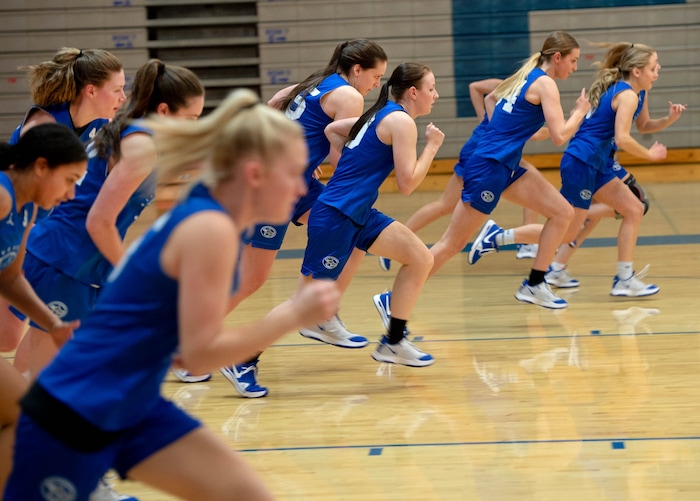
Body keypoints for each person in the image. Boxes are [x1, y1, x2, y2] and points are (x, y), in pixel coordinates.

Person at [3, 89, 341, 501]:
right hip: (81, 407)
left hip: (135, 401)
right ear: (254, 173)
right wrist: (293, 315)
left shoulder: (213, 217)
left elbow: (182, 354)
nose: (304, 186)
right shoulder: (209, 228)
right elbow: (198, 356)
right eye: (296, 173)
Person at [8, 59, 205, 380]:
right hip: (63, 259)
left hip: (74, 260)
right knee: (46, 372)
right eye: (192, 118)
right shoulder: (140, 145)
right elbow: (99, 221)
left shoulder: (131, 131)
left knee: (45, 362)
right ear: (166, 111)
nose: (195, 125)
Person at [213, 39, 388, 397]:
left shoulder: (314, 82)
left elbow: (275, 103)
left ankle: (323, 316)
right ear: (357, 70)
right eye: (376, 76)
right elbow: (344, 159)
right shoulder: (350, 97)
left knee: (353, 235)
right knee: (251, 280)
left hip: (294, 182)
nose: (376, 84)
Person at [474, 43, 683, 297]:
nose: (658, 70)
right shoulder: (626, 94)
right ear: (637, 71)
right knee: (568, 230)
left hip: (599, 161)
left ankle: (623, 278)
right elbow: (623, 138)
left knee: (634, 208)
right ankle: (500, 237)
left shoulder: (638, 93)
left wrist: (670, 119)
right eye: (653, 66)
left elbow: (645, 125)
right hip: (582, 161)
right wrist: (649, 154)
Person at [425, 31, 590, 309]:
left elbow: (490, 99)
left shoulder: (525, 76)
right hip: (489, 165)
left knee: (562, 213)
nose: (575, 67)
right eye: (573, 61)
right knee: (452, 243)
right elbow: (560, 135)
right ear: (557, 57)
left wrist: (503, 132)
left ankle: (535, 284)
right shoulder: (546, 83)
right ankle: (395, 300)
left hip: (506, 162)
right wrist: (580, 112)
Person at [296, 62, 443, 367]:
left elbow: (332, 129)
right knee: (303, 308)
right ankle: (244, 358)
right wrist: (431, 148)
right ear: (413, 92)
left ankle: (393, 342)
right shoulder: (401, 122)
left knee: (421, 258)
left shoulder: (381, 112)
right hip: (336, 214)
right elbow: (407, 184)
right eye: (431, 88)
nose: (436, 95)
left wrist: (346, 159)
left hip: (358, 213)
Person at [0, 47, 126, 368]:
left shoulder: (94, 124)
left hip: (29, 226)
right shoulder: (44, 127)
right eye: (118, 89)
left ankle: (26, 389)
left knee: (15, 334)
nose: (123, 97)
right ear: (91, 90)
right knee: (9, 333)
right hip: (16, 220)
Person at [0, 123, 87, 493]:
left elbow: (9, 279)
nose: (70, 194)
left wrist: (53, 323)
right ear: (40, 166)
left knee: (22, 418)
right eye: (69, 180)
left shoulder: (27, 209)